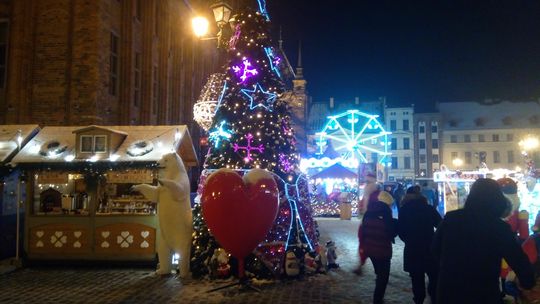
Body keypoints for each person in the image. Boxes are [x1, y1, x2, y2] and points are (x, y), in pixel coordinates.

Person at [432, 178, 535, 304]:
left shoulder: (451, 219)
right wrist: (528, 281)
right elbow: (517, 258)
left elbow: (435, 250)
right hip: (483, 292)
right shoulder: (498, 227)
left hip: (449, 291)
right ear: (498, 200)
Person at [398, 190, 442, 304]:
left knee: (416, 279)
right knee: (434, 276)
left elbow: (401, 231)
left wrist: (409, 240)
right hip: (429, 247)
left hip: (412, 249)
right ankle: (434, 297)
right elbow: (440, 225)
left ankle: (419, 300)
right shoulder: (428, 208)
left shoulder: (404, 209)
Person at [358, 190, 397, 304]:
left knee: (379, 273)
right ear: (387, 203)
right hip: (383, 249)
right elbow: (390, 232)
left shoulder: (369, 212)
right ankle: (378, 300)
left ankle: (378, 297)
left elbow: (363, 229)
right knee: (383, 277)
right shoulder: (386, 213)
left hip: (370, 248)